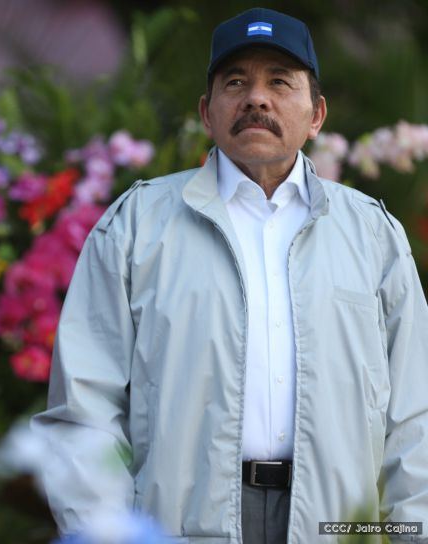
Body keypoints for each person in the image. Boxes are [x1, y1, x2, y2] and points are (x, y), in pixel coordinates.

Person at [33, 7, 428, 543]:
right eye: (235, 82)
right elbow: (85, 409)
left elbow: (415, 415)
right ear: (207, 111)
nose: (256, 98)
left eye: (280, 82)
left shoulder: (373, 235)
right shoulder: (135, 227)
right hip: (177, 522)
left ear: (316, 115)